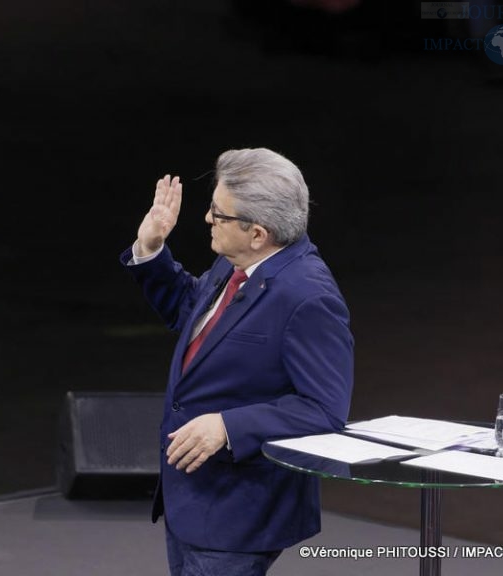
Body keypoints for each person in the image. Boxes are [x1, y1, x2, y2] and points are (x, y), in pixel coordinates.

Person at [119, 147, 354, 576]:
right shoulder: (243, 262)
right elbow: (196, 316)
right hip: (194, 495)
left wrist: (227, 426)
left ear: (258, 232)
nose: (207, 219)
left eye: (218, 213)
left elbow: (324, 410)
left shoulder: (307, 297)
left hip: (238, 511)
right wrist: (151, 250)